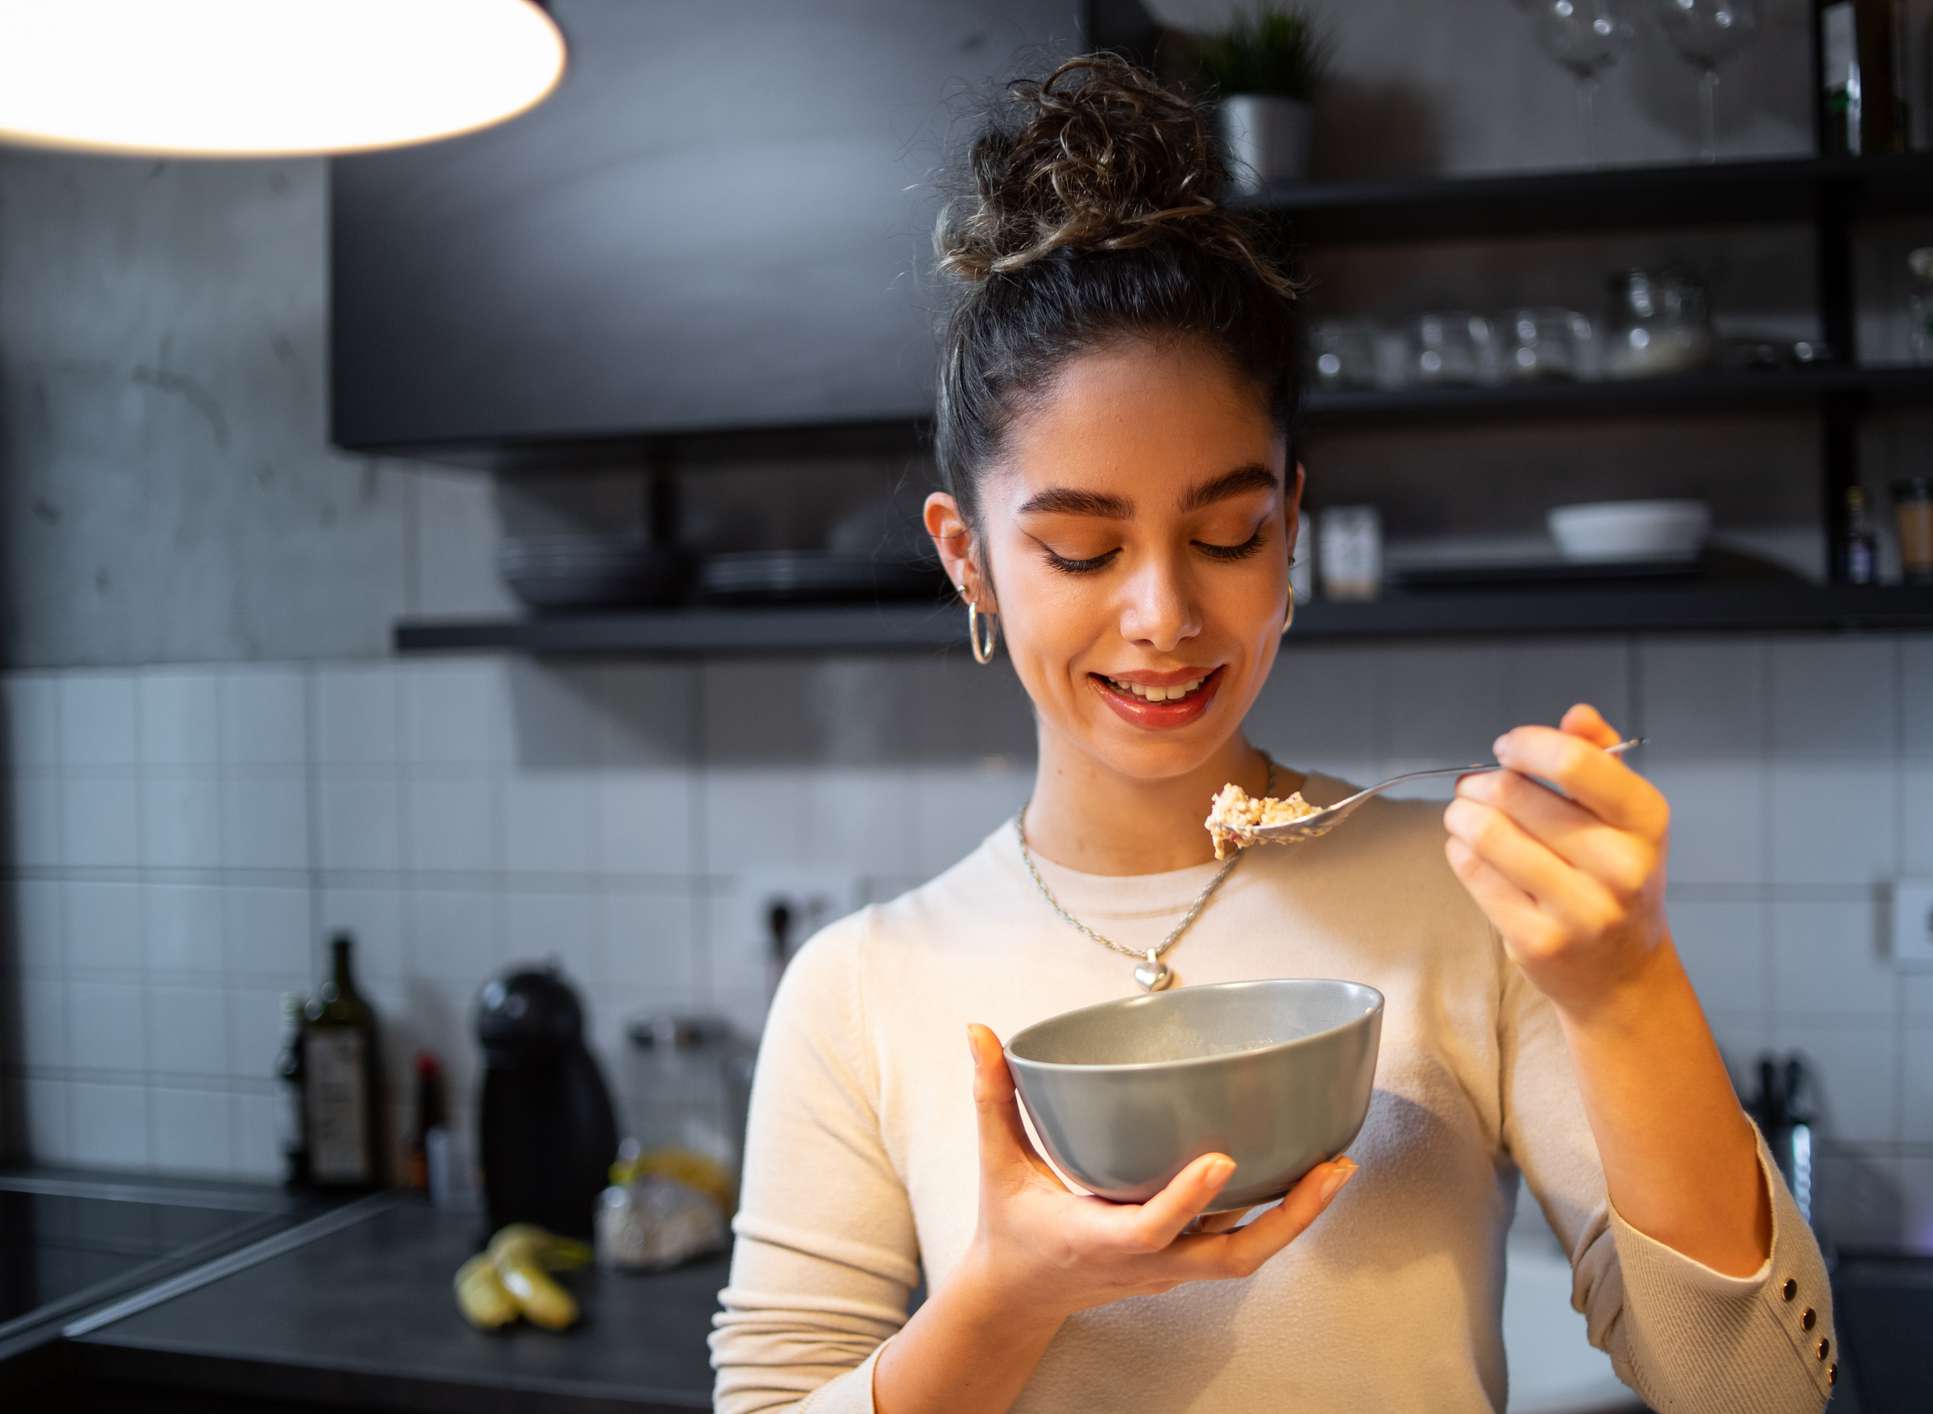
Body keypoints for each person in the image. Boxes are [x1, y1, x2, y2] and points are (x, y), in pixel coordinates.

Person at [710, 54, 1833, 1414]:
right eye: (1077, 547)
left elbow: (1757, 1391)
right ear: (968, 559)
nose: (1164, 613)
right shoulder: (861, 988)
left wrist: (1626, 985)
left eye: (1225, 534)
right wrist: (1007, 1298)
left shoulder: (1467, 907)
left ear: (1289, 528)